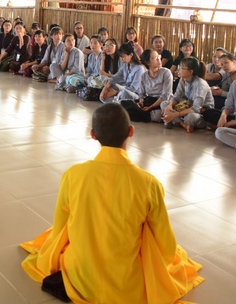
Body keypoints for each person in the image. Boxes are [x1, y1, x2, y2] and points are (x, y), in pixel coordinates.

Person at [20, 103, 203, 303]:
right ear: (131, 131)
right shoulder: (148, 183)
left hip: (79, 275)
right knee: (152, 234)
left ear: (93, 135)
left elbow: (60, 225)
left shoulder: (73, 174)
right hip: (127, 284)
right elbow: (165, 244)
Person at [161, 57, 214, 132]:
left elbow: (196, 109)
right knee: (164, 104)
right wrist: (170, 106)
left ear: (190, 71)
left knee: (190, 117)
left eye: (182, 68)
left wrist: (175, 114)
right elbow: (176, 97)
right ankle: (183, 124)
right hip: (188, 106)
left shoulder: (200, 84)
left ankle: (177, 121)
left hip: (202, 112)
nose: (178, 70)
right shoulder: (183, 80)